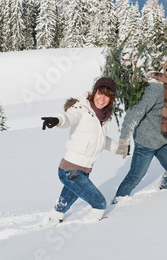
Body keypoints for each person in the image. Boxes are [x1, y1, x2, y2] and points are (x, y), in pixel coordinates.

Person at [113, 50, 167, 203]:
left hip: (164, 139)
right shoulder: (155, 88)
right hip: (146, 142)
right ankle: (117, 204)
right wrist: (124, 139)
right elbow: (133, 114)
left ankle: (162, 197)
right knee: (135, 177)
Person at [41, 77, 118, 225]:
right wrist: (57, 120)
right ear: (94, 93)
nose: (102, 98)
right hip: (70, 171)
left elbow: (101, 139)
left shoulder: (105, 116)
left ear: (111, 98)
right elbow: (69, 118)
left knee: (67, 200)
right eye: (99, 93)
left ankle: (54, 218)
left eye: (107, 95)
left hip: (84, 171)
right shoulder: (81, 109)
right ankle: (91, 227)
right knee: (99, 204)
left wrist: (118, 148)